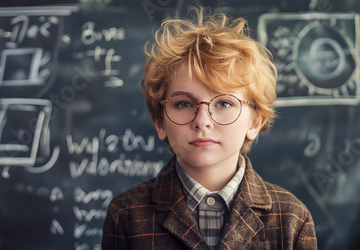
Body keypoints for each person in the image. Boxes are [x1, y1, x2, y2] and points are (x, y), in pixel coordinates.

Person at [102, 7, 317, 249]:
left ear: (255, 122)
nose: (202, 121)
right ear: (160, 123)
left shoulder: (291, 218)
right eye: (183, 103)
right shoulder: (126, 214)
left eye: (224, 103)